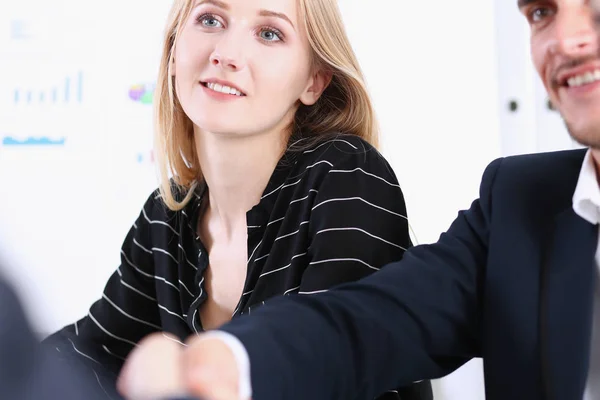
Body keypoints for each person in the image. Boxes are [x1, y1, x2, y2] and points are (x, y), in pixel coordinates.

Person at [116, 0, 600, 399]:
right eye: (541, 13)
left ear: (314, 81)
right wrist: (223, 364)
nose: (566, 40)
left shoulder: (343, 172)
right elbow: (363, 325)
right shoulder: (521, 204)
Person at [42, 0, 432, 399]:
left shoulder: (348, 178)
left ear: (314, 81)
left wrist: (181, 377)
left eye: (269, 33)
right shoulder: (167, 215)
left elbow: (325, 376)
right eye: (210, 20)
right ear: (174, 49)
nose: (226, 54)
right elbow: (79, 356)